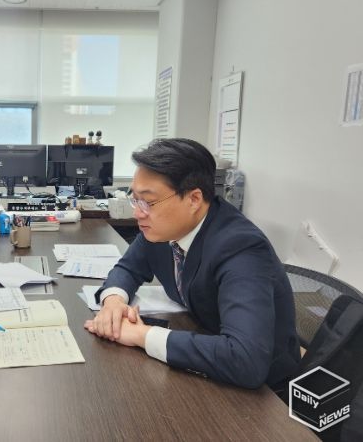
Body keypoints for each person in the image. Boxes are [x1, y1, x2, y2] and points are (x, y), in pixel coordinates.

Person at [84, 138, 300, 389]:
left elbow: (246, 360)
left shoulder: (241, 247)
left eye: (148, 202)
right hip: (203, 347)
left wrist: (142, 336)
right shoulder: (163, 229)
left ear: (194, 199)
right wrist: (114, 302)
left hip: (265, 393)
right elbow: (129, 268)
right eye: (135, 200)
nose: (138, 212)